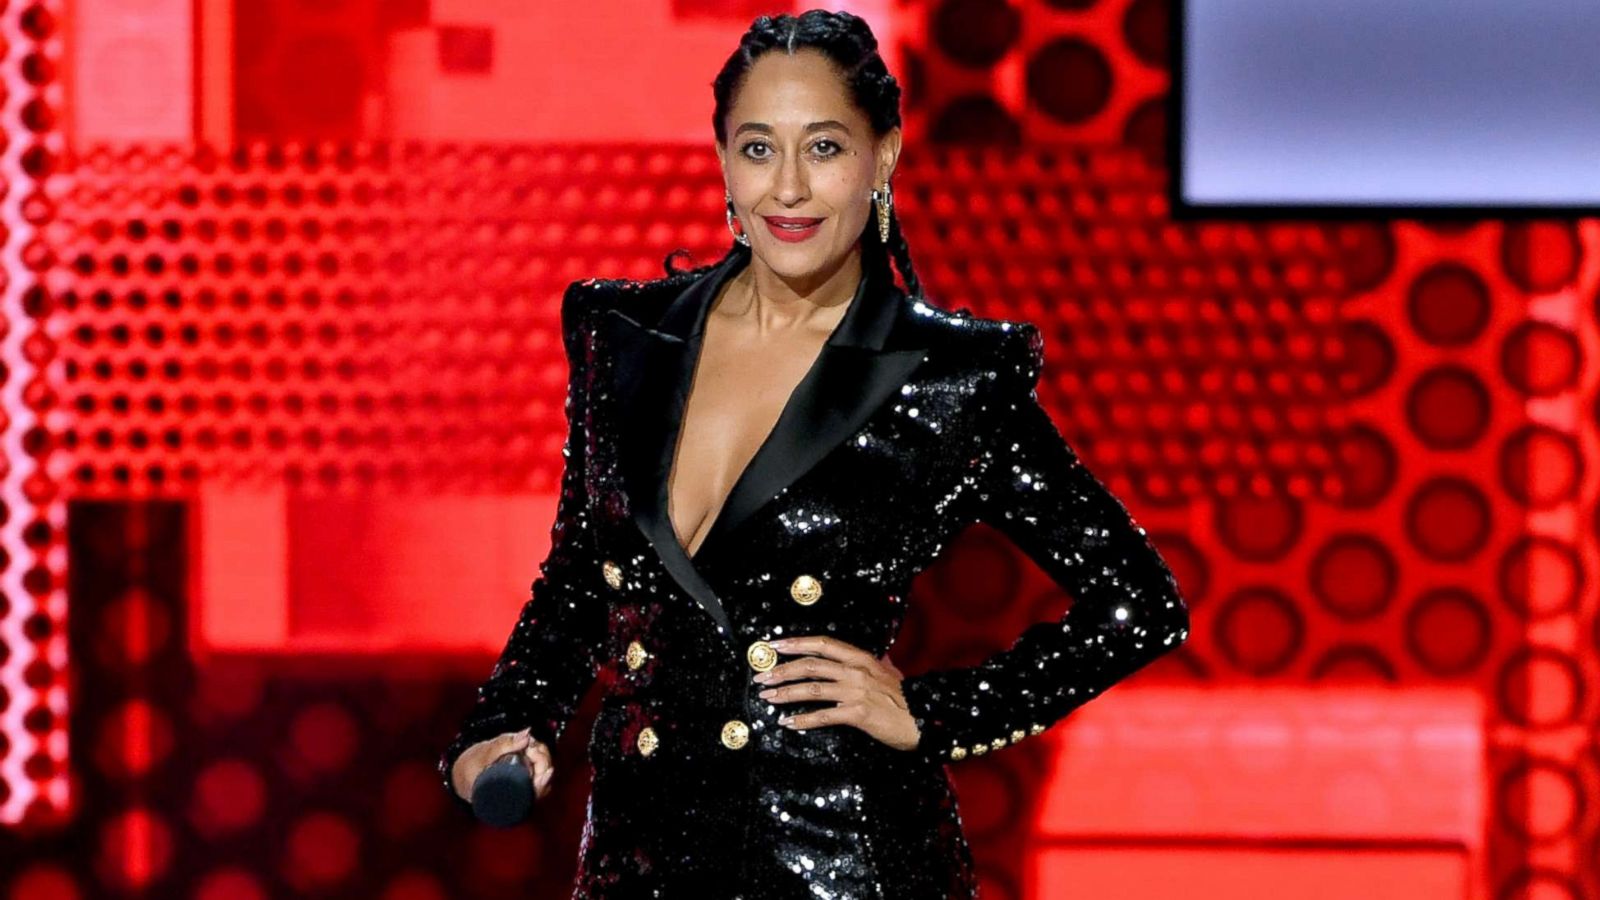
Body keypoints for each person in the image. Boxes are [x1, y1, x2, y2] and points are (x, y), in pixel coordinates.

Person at [440, 9, 1190, 898]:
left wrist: (932, 713)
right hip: (637, 858)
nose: (788, 188)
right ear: (722, 159)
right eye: (759, 149)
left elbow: (1140, 603)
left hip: (841, 853)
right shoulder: (626, 338)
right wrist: (506, 723)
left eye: (825, 148)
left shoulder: (946, 378)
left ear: (886, 156)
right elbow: (581, 579)